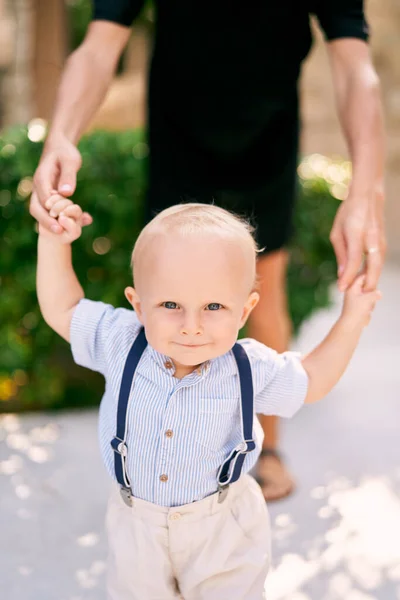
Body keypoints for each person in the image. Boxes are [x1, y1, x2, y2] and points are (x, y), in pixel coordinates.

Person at [30, 0, 386, 501]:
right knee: (169, 285)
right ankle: (153, 447)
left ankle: (268, 449)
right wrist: (60, 138)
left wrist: (366, 189)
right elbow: (100, 43)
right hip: (179, 132)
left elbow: (354, 65)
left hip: (268, 135)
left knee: (267, 277)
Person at [36, 200, 380, 600]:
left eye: (214, 307)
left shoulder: (249, 366)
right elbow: (63, 308)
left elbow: (314, 379)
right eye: (170, 306)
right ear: (138, 305)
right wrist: (53, 242)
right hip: (137, 523)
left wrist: (351, 319)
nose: (192, 327)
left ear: (245, 309)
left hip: (222, 527)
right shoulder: (120, 340)